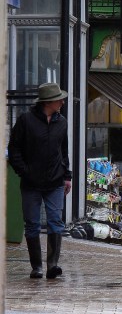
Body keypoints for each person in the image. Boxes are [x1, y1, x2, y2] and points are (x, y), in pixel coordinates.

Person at [8, 82, 72, 279]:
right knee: (32, 224)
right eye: (59, 99)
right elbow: (14, 149)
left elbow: (63, 151)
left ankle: (52, 265)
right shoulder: (26, 121)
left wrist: (67, 176)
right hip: (31, 184)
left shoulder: (61, 122)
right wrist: (24, 171)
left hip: (55, 182)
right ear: (48, 102)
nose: (62, 101)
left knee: (55, 222)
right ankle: (37, 267)